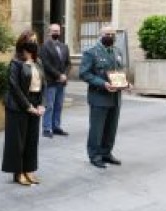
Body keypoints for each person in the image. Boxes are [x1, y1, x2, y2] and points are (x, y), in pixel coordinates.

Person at [1, 30, 46, 186]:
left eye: (35, 40)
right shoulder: (16, 62)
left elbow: (43, 85)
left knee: (32, 140)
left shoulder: (38, 62)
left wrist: (41, 104)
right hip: (17, 106)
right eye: (30, 40)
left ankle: (29, 169)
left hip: (35, 101)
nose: (33, 43)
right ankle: (18, 172)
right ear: (22, 43)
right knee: (18, 141)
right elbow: (14, 87)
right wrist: (28, 107)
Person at [79, 26, 125, 169]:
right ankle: (95, 155)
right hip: (99, 97)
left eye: (112, 34)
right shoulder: (91, 52)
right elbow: (84, 74)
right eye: (107, 34)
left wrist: (125, 83)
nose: (110, 36)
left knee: (111, 129)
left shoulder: (117, 51)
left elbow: (118, 71)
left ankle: (106, 153)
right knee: (97, 129)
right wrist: (103, 83)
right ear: (101, 35)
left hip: (115, 97)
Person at [39, 23, 71, 138]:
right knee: (50, 106)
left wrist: (65, 75)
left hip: (62, 82)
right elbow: (46, 64)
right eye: (54, 31)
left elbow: (68, 63)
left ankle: (56, 127)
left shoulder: (64, 46)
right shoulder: (44, 47)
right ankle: (47, 129)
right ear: (49, 32)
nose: (56, 33)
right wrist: (59, 75)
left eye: (58, 31)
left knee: (59, 105)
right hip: (51, 81)